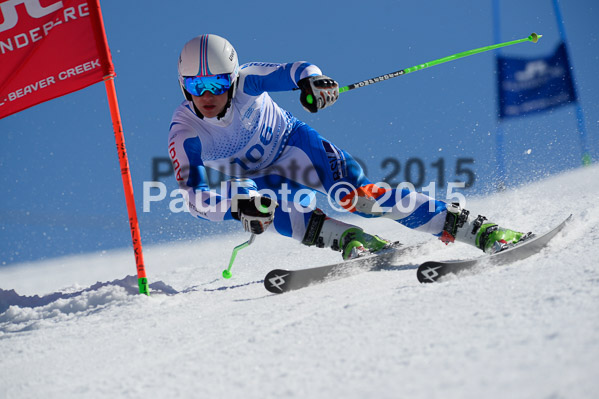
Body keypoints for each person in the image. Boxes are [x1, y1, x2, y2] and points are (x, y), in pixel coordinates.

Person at [168, 34, 529, 260]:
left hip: (295, 148)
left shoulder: (249, 79)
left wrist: (314, 82)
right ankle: (350, 240)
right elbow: (195, 196)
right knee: (257, 206)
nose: (208, 95)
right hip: (257, 178)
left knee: (356, 196)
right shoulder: (185, 132)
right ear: (184, 87)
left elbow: (295, 70)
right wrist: (234, 209)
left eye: (216, 83)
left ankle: (477, 229)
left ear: (231, 79)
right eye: (196, 86)